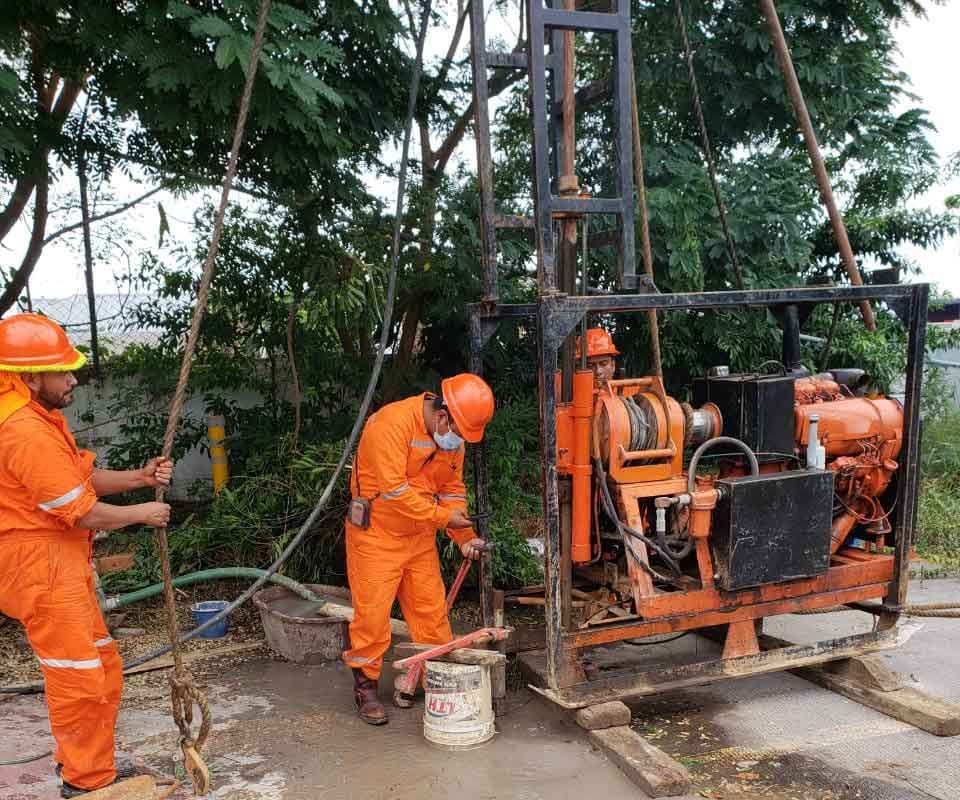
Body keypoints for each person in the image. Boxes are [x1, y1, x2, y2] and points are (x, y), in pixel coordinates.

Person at [0, 314, 173, 798]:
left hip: (57, 563)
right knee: (78, 678)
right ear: (28, 376)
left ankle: (88, 765)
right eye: (64, 370)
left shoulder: (34, 418)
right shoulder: (22, 431)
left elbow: (77, 479)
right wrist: (142, 513)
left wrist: (139, 478)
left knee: (100, 666)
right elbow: (78, 511)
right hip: (41, 565)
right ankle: (86, 781)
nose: (74, 378)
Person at [342, 373, 495, 725]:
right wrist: (444, 520)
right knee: (372, 618)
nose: (458, 441)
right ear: (443, 416)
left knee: (431, 616)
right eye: (457, 432)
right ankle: (365, 689)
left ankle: (434, 681)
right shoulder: (391, 424)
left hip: (419, 537)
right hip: (376, 537)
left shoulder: (452, 439)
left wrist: (465, 538)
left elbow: (453, 491)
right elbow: (394, 492)